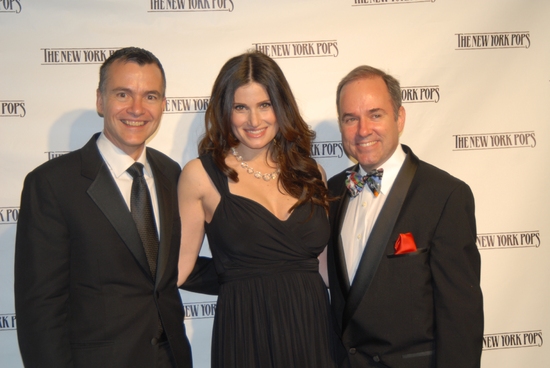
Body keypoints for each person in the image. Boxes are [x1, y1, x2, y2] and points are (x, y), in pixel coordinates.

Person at [14, 47, 214, 368]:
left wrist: (262, 272)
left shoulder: (171, 173)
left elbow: (172, 267)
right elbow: (40, 309)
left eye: (150, 96)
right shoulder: (52, 184)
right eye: (123, 94)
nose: (137, 108)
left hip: (171, 358)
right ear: (100, 100)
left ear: (163, 105)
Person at [177, 50, 337, 368]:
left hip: (314, 329)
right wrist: (238, 277)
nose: (254, 121)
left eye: (265, 105)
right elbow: (179, 269)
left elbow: (325, 268)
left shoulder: (312, 172)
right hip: (245, 330)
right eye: (241, 107)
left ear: (281, 107)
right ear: (225, 111)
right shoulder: (200, 175)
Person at [326, 65, 484, 368]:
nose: (362, 130)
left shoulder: (445, 196)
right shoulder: (333, 192)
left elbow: (461, 318)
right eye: (350, 119)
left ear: (399, 117)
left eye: (375, 114)